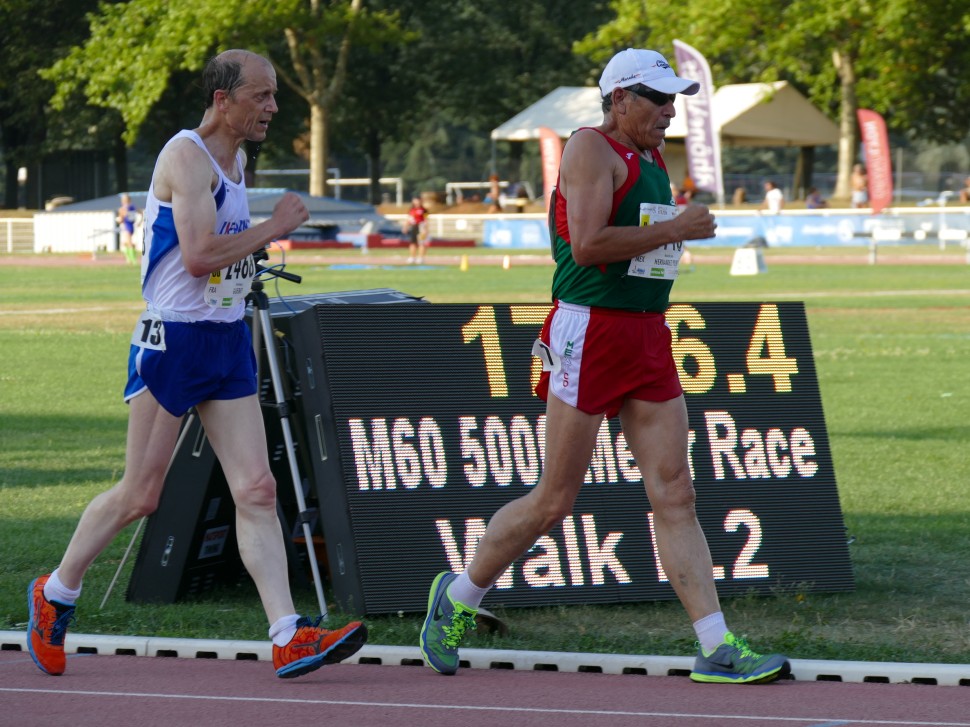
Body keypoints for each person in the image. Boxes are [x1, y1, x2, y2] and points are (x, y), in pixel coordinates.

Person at [419, 47, 790, 685]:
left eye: (674, 100)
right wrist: (679, 229)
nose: (669, 112)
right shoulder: (589, 148)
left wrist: (670, 230)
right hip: (590, 331)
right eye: (657, 99)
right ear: (620, 98)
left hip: (644, 333)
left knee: (675, 492)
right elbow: (587, 246)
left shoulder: (648, 155)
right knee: (555, 499)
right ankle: (456, 600)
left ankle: (716, 645)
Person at [26, 49, 367, 680]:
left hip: (225, 337)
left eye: (272, 97)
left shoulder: (238, 158)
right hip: (173, 342)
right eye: (261, 96)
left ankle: (288, 635)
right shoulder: (185, 155)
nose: (271, 107)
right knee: (142, 494)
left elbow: (224, 263)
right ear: (222, 99)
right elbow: (198, 256)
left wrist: (252, 260)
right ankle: (55, 595)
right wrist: (275, 226)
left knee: (257, 489)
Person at [404, 195, 429, 264]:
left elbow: (426, 219)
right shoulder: (411, 210)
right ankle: (412, 257)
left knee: (421, 243)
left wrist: (426, 229)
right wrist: (405, 227)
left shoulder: (424, 210)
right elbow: (409, 219)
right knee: (412, 243)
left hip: (421, 227)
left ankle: (421, 258)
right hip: (413, 227)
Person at [117, 193, 140, 265]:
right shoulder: (133, 207)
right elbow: (141, 212)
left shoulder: (122, 209)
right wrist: (139, 222)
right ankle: (129, 259)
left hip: (127, 226)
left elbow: (121, 219)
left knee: (128, 243)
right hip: (131, 226)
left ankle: (133, 260)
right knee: (126, 243)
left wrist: (118, 220)